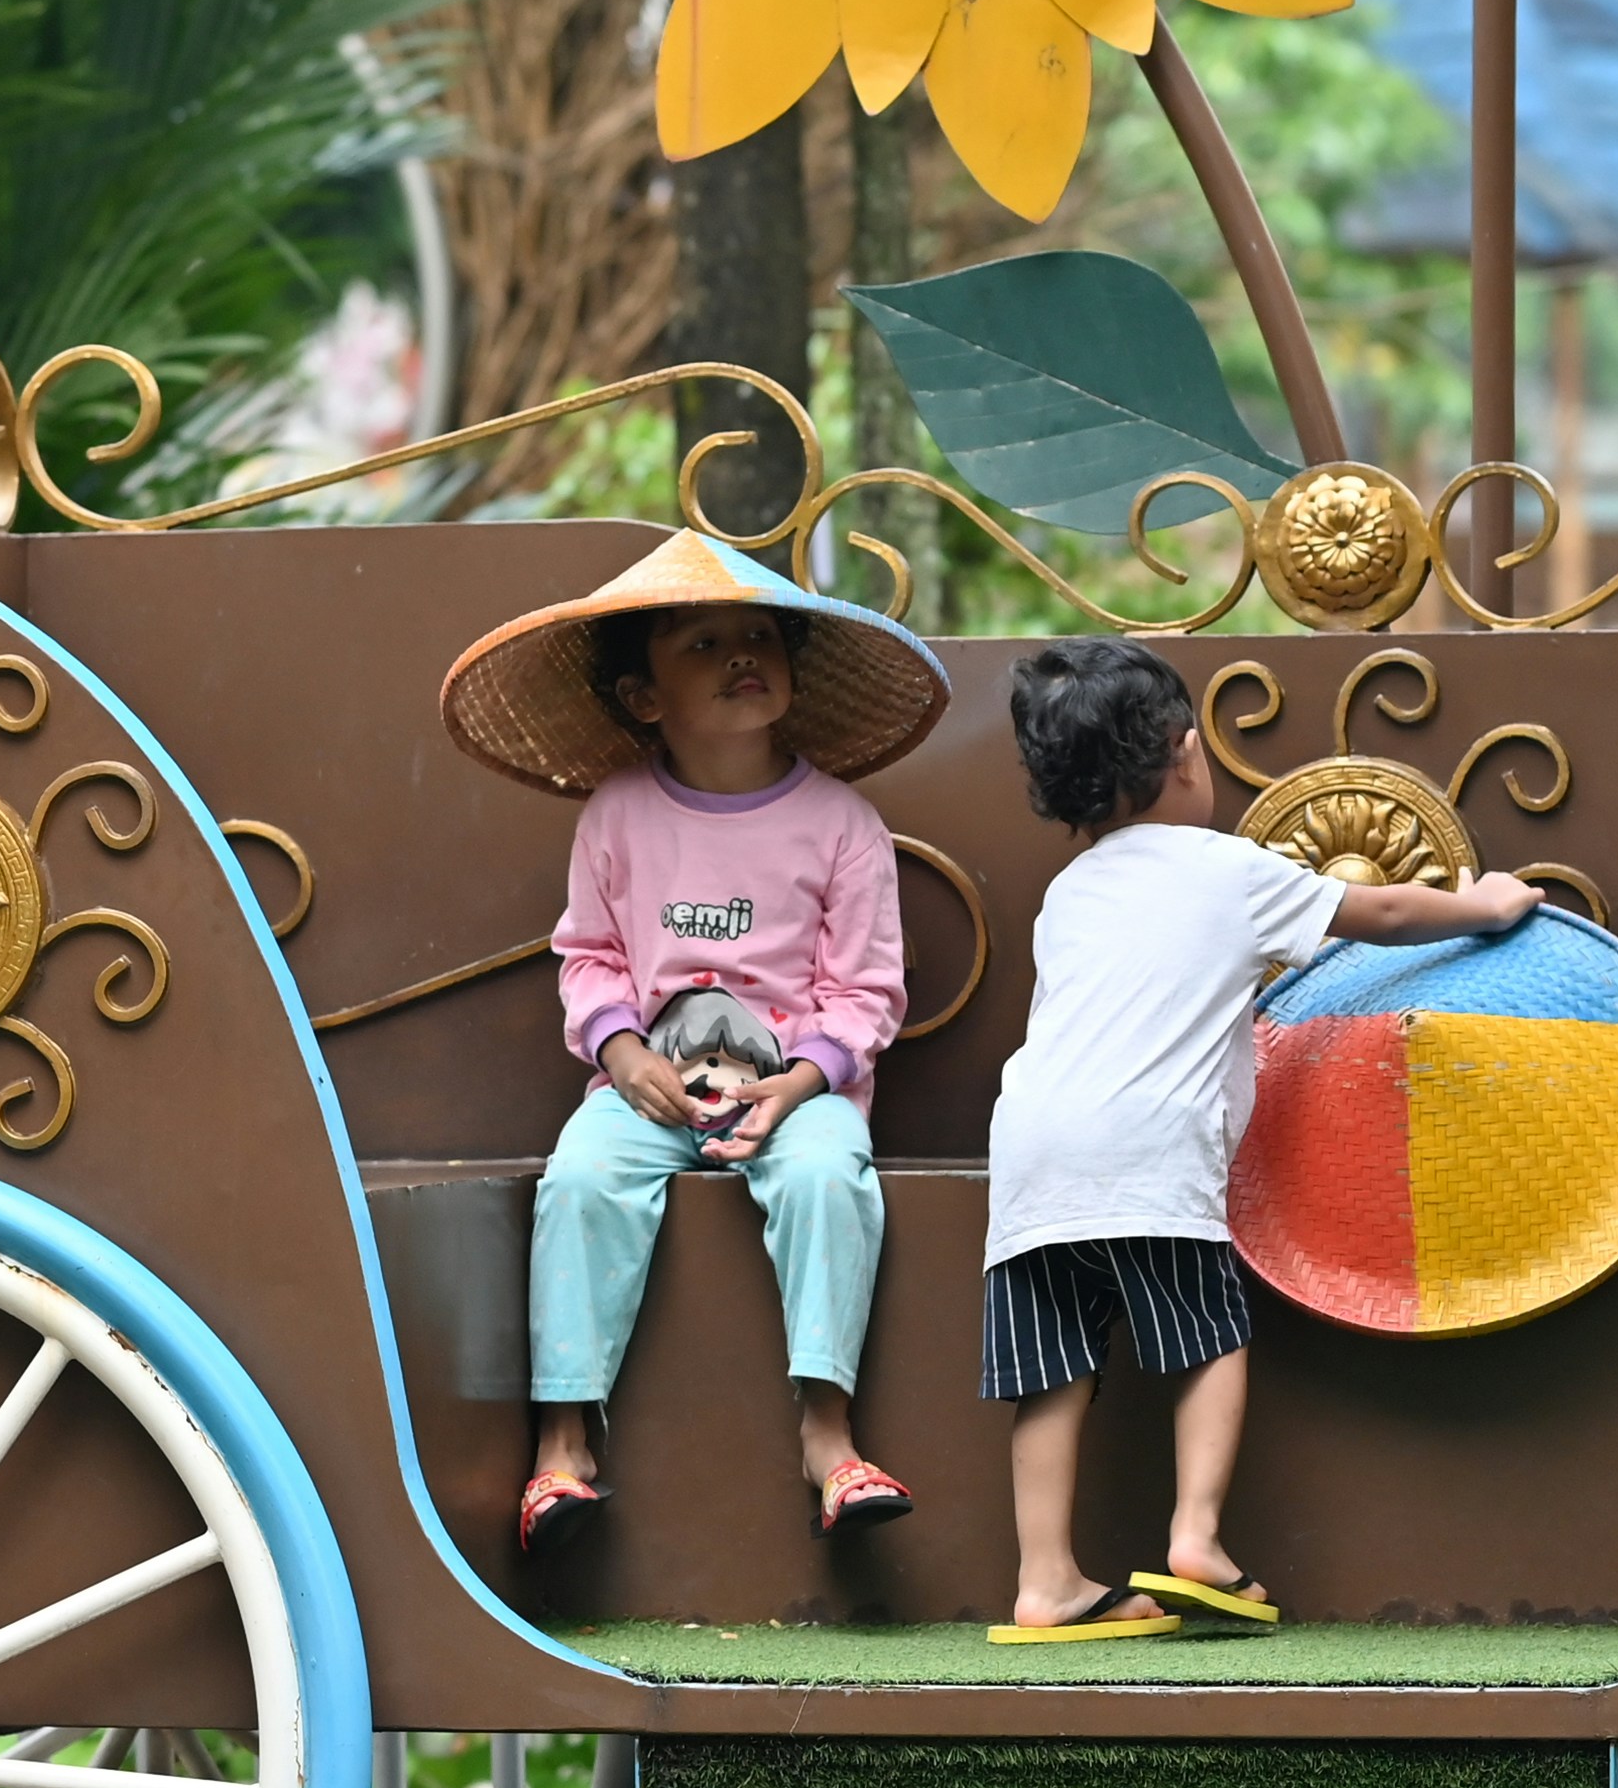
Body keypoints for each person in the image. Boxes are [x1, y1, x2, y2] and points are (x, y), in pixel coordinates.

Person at [979, 637, 1531, 1646]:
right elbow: (1388, 908)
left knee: (1054, 1368)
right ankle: (1195, 1536)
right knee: (1207, 1338)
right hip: (1149, 1151)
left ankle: (1045, 1578)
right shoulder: (1229, 870)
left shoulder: (1067, 894)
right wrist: (1485, 906)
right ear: (1189, 753)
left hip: (1029, 1159)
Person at [437, 528, 955, 1553]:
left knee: (826, 1183)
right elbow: (586, 955)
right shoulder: (618, 815)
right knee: (579, 1183)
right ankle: (563, 1448)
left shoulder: (842, 824)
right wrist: (622, 1057)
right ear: (644, 697)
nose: (739, 656)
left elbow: (866, 991)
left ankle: (829, 1437)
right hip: (642, 1091)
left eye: (758, 635)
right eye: (703, 643)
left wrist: (800, 1084)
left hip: (797, 1098)